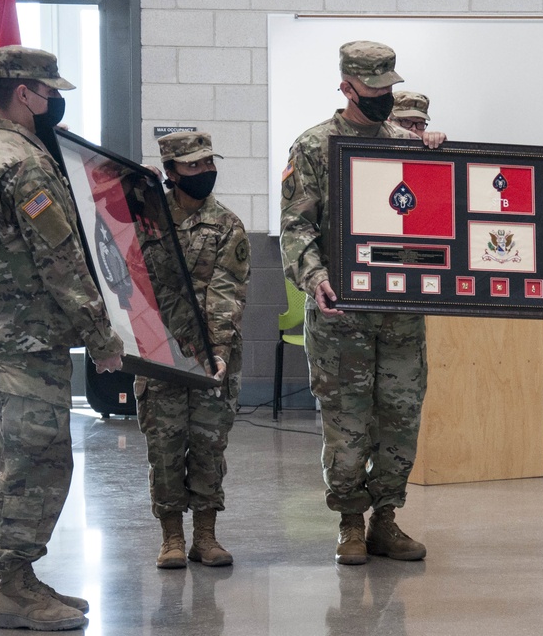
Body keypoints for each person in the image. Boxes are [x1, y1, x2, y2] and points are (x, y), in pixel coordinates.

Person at [0, 45, 125, 630]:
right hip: (27, 338)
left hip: (3, 335)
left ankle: (21, 577)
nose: (55, 101)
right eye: (50, 92)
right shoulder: (22, 163)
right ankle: (16, 588)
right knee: (38, 462)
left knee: (19, 458)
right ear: (24, 93)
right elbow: (59, 259)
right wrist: (102, 337)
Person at [280, 41, 442, 565]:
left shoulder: (405, 144)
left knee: (399, 420)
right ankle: (351, 522)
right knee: (347, 424)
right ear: (347, 87)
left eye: (388, 88)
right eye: (373, 90)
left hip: (399, 313)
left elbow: (433, 221)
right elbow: (296, 228)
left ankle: (386, 521)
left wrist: (446, 165)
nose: (382, 98)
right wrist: (315, 276)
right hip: (340, 314)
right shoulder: (313, 146)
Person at [136, 131, 250, 569]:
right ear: (170, 173)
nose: (205, 172)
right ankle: (171, 538)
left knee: (208, 446)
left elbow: (226, 291)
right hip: (158, 353)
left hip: (211, 355)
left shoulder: (227, 225)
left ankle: (205, 535)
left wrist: (218, 349)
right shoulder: (146, 219)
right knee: (164, 448)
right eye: (193, 166)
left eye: (208, 163)